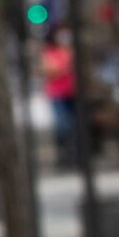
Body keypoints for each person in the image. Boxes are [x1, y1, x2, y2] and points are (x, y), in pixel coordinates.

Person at [40, 25, 78, 168]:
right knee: (62, 125)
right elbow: (50, 70)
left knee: (73, 124)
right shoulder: (49, 53)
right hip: (57, 94)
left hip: (71, 92)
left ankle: (73, 154)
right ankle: (63, 153)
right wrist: (63, 68)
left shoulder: (68, 51)